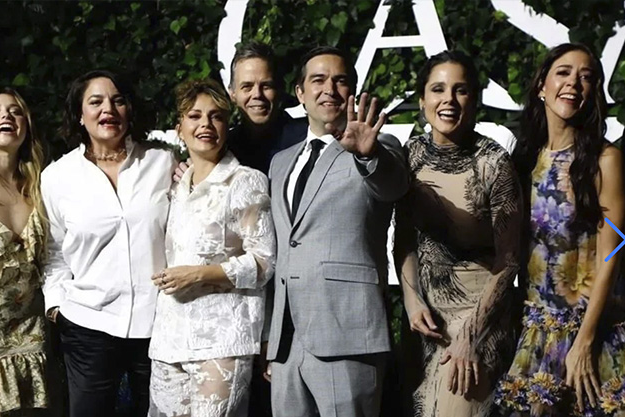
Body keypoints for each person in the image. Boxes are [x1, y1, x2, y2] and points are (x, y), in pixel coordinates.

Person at [265, 45, 408, 417]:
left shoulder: (379, 147)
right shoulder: (280, 163)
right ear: (300, 93)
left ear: (352, 93)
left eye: (340, 80)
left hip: (348, 335)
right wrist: (272, 338)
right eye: (318, 80)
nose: (329, 88)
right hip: (287, 343)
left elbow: (393, 185)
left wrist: (367, 154)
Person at [495, 43, 625, 416]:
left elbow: (614, 252)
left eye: (586, 77)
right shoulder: (523, 161)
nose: (573, 83)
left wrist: (584, 341)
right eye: (563, 72)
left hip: (594, 333)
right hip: (534, 333)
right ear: (542, 86)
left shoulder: (606, 160)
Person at [393, 50, 522, 417]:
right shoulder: (410, 155)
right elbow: (404, 238)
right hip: (424, 321)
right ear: (422, 100)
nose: (448, 100)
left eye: (460, 90)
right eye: (438, 89)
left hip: (479, 320)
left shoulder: (494, 163)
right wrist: (412, 301)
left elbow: (509, 260)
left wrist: (471, 335)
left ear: (474, 100)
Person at [41, 70, 176, 417]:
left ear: (130, 110)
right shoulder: (57, 177)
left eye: (118, 101)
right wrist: (56, 307)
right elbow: (54, 251)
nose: (108, 110)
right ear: (79, 114)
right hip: (88, 324)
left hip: (158, 322)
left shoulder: (162, 162)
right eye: (96, 102)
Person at [148, 78, 275, 417]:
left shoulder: (246, 180)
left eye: (216, 116)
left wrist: (199, 275)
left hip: (223, 340)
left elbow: (264, 262)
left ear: (226, 127)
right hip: (169, 338)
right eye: (195, 116)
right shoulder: (175, 186)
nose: (205, 124)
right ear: (179, 129)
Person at [0, 87, 48, 417]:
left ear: (26, 126)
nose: (6, 115)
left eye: (15, 111)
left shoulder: (44, 188)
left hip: (33, 343)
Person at [227, 41, 305, 173]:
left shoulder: (306, 140)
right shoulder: (225, 147)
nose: (257, 94)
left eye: (266, 86)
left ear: (280, 89)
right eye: (247, 87)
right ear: (232, 94)